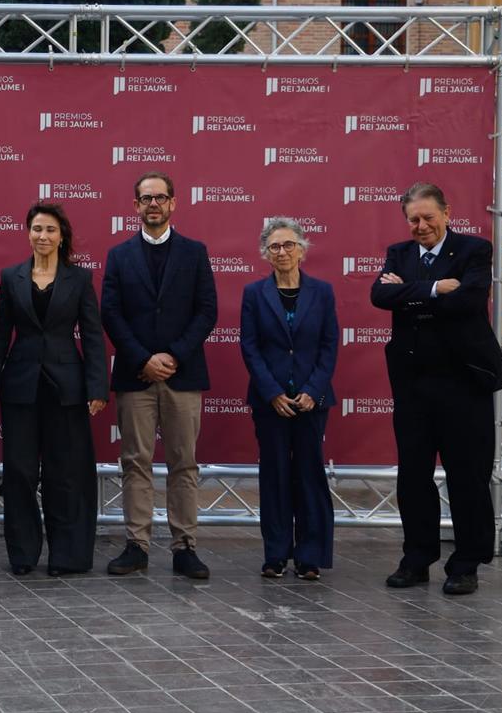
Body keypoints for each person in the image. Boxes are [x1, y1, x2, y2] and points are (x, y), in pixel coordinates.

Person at [371, 182, 502, 596]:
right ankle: (416, 558)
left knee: (467, 475)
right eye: (413, 219)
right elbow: (380, 295)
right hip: (413, 383)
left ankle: (466, 563)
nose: (421, 225)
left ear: (447, 213)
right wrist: (434, 288)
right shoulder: (398, 253)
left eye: (428, 217)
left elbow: (468, 301)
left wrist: (408, 294)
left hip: (464, 382)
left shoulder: (474, 249)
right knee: (413, 476)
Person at [101, 172, 217, 578]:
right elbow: (111, 313)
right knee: (136, 462)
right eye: (146, 198)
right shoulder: (119, 255)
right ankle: (137, 545)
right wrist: (143, 359)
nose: (154, 204)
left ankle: (185, 547)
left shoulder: (195, 252)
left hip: (183, 376)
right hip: (136, 376)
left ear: (173, 203)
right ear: (136, 205)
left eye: (161, 197)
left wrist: (174, 355)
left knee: (184, 463)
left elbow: (207, 310)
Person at [0, 202, 107, 576]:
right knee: (20, 472)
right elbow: (0, 332)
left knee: (65, 473)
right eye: (37, 228)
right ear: (28, 233)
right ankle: (23, 554)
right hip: (20, 386)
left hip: (66, 388)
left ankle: (67, 556)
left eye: (50, 230)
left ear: (61, 236)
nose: (43, 235)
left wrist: (97, 386)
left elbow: (92, 335)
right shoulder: (11, 277)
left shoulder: (80, 279)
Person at [240, 217, 338, 581]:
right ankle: (276, 554)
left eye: (288, 245)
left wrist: (313, 390)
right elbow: (250, 347)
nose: (282, 252)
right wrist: (272, 393)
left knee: (310, 475)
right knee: (275, 476)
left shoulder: (322, 292)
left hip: (313, 402)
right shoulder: (254, 293)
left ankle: (310, 556)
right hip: (271, 403)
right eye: (275, 246)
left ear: (302, 250)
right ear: (265, 253)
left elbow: (329, 345)